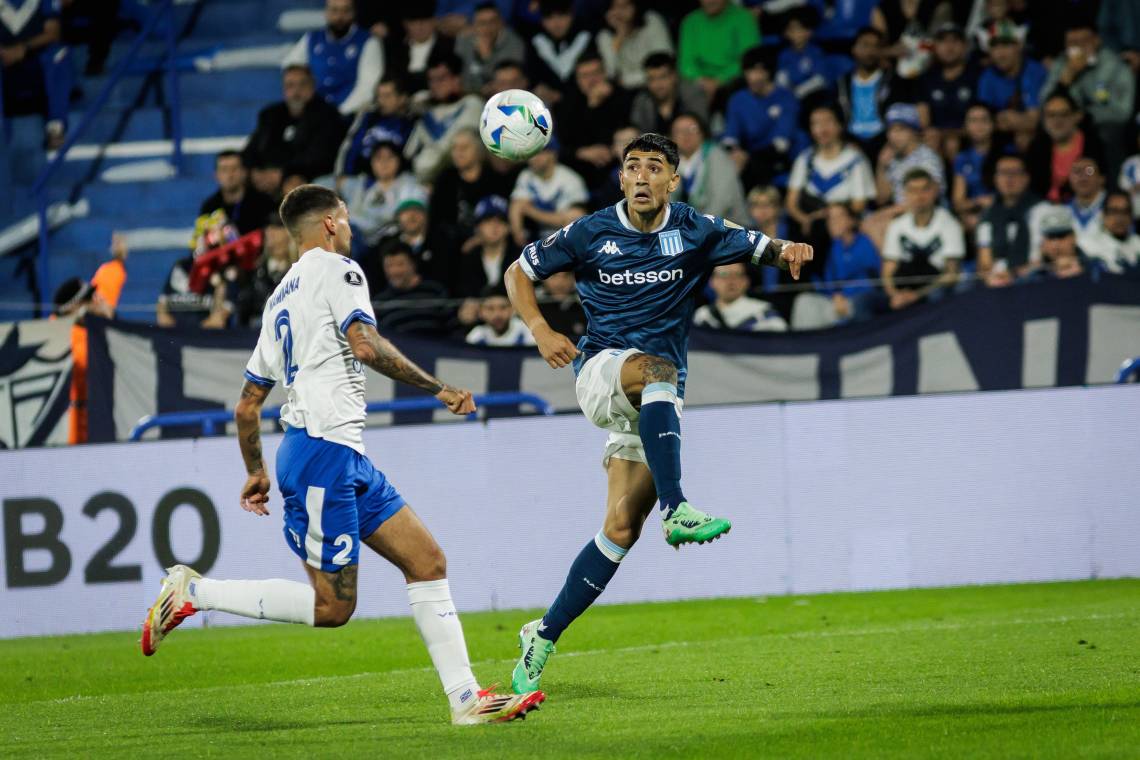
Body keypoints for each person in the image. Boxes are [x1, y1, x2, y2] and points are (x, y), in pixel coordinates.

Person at [139, 185, 543, 726]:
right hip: (321, 453)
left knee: (427, 561)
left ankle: (466, 700)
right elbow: (366, 345)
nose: (350, 228)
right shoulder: (340, 269)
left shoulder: (277, 298)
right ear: (330, 223)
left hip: (333, 452)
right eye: (346, 219)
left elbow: (246, 405)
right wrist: (439, 388)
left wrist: (256, 471)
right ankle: (195, 591)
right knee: (333, 607)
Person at [502, 132, 812, 694]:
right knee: (657, 370)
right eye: (632, 166)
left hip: (654, 400)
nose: (642, 176)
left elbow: (762, 245)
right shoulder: (590, 231)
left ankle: (541, 634)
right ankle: (677, 508)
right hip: (604, 372)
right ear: (621, 178)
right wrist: (541, 328)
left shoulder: (696, 229)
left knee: (620, 530)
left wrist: (789, 249)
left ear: (673, 180)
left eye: (654, 167)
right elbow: (518, 273)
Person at [1041, 22, 1135, 179]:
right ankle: (1050, 184)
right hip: (1068, 121)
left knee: (1109, 133)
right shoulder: (1061, 64)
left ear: (1096, 41)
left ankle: (1111, 184)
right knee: (1042, 131)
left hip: (1099, 125)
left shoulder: (1115, 66)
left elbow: (1122, 112)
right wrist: (1066, 78)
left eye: (1083, 41)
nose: (1077, 48)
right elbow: (1044, 102)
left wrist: (1085, 115)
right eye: (1072, 43)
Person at [241, 65, 348, 198]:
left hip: (306, 176)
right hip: (267, 177)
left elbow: (320, 157)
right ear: (284, 89)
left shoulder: (328, 115)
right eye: (290, 85)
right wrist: (255, 173)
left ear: (312, 87)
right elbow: (251, 150)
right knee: (235, 175)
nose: (296, 91)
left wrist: (283, 174)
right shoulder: (270, 115)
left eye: (302, 84)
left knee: (295, 185)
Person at [786, 103, 875, 259]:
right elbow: (791, 202)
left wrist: (829, 214)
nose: (822, 129)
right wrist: (805, 219)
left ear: (840, 125)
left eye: (827, 121)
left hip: (845, 223)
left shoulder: (855, 160)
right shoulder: (805, 159)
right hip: (812, 224)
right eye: (816, 123)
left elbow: (859, 204)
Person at [61, 234, 127, 444]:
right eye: (88, 299)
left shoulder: (93, 321)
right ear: (73, 308)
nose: (95, 301)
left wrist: (118, 259)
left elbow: (107, 283)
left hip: (101, 416)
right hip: (70, 422)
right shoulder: (64, 334)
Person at [881, 168, 963, 310]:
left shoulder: (950, 224)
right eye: (913, 190)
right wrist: (895, 295)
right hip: (901, 290)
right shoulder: (896, 225)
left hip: (934, 290)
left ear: (934, 191)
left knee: (940, 295)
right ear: (905, 194)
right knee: (864, 302)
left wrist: (917, 295)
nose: (919, 196)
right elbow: (887, 271)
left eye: (925, 189)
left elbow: (951, 274)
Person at [282, 0, 382, 116]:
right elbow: (291, 68)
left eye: (346, 11)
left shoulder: (368, 42)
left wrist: (341, 112)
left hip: (349, 114)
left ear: (354, 13)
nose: (339, 16)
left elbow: (368, 87)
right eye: (334, 10)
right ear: (326, 13)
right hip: (312, 113)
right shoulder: (312, 38)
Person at [721, 47, 799, 190]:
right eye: (749, 71)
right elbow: (730, 137)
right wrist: (735, 152)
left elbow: (781, 143)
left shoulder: (785, 97)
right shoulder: (738, 99)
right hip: (746, 158)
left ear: (770, 72)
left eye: (760, 71)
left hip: (776, 158)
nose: (754, 77)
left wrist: (748, 156)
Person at [0, 0, 74, 148]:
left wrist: (23, 48)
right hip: (4, 61)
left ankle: (55, 127)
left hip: (35, 60)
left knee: (59, 55)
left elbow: (53, 32)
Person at [403, 52, 483, 183]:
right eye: (431, 80)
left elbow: (463, 151)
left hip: (453, 178)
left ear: (456, 79)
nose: (435, 85)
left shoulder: (472, 104)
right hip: (418, 182)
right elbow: (409, 153)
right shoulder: (427, 113)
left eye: (441, 79)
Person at [976, 153, 1050, 283]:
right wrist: (992, 276)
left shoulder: (1043, 210)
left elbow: (1047, 255)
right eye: (1003, 173)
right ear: (995, 178)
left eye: (1014, 173)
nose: (1008, 179)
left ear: (1026, 178)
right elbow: (985, 261)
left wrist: (1016, 275)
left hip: (1036, 279)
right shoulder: (988, 215)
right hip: (998, 282)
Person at [339, 139, 423, 248]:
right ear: (371, 163)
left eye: (390, 157)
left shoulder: (407, 182)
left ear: (399, 160)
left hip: (385, 242)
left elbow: (396, 216)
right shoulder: (370, 187)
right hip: (357, 235)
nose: (384, 163)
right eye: (378, 158)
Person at [1026, 91, 1105, 203]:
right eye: (1051, 115)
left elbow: (1098, 179)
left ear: (1077, 116)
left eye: (1064, 114)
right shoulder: (1037, 147)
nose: (1057, 120)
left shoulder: (1094, 145)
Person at [976, 20, 1047, 145]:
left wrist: (1008, 120)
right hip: (998, 141)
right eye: (995, 47)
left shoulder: (1035, 72)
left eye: (1006, 45)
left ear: (1019, 46)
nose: (1000, 53)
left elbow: (1035, 121)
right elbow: (983, 122)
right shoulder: (987, 77)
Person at [508, 135, 589, 245]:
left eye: (540, 152)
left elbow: (573, 219)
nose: (534, 157)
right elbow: (516, 206)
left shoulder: (571, 179)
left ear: (553, 154)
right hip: (537, 240)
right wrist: (519, 237)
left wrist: (531, 211)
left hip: (567, 242)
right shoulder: (526, 176)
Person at [670, 112, 748, 223]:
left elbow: (721, 202)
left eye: (692, 129)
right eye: (679, 131)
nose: (686, 135)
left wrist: (699, 228)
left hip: (726, 225)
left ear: (702, 133)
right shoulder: (670, 161)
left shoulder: (718, 157)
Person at [677, 0, 760, 103]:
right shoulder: (690, 21)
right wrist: (701, 81)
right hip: (699, 83)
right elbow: (686, 63)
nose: (709, 1)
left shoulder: (744, 18)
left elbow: (749, 59)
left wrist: (720, 81)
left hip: (733, 80)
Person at [334, 76, 415, 180]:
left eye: (387, 96)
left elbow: (409, 159)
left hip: (393, 180)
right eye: (379, 96)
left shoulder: (411, 124)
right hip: (358, 177)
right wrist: (343, 174)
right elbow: (350, 148)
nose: (381, 101)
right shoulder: (368, 118)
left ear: (402, 98)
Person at [835, 26, 896, 157]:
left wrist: (891, 142)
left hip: (884, 141)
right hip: (851, 141)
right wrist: (845, 141)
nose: (870, 51)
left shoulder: (892, 80)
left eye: (876, 46)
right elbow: (837, 117)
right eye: (865, 45)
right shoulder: (842, 83)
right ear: (854, 49)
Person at [525, 0, 592, 108]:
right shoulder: (536, 41)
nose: (556, 24)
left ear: (571, 15)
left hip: (586, 101)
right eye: (549, 18)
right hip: (547, 106)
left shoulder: (586, 38)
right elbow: (532, 76)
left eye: (561, 16)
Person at [374, 245, 452, 335]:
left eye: (400, 264)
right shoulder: (380, 303)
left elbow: (452, 326)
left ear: (413, 264)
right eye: (389, 266)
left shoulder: (435, 291)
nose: (395, 271)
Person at [595, 0, 672, 90]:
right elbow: (611, 75)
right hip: (625, 92)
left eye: (625, 6)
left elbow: (664, 64)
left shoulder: (651, 20)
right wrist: (619, 38)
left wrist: (627, 80)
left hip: (659, 85)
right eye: (615, 7)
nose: (620, 12)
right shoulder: (605, 36)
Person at [629, 52, 709, 136]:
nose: (657, 84)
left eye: (663, 77)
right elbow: (637, 133)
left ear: (674, 76)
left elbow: (701, 129)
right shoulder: (642, 100)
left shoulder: (692, 94)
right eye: (651, 79)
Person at [199, 151, 277, 237]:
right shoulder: (209, 207)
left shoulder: (263, 203)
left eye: (234, 169)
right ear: (216, 175)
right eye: (224, 170)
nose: (229, 175)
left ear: (244, 172)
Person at [455, 2, 525, 95]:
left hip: (502, 95)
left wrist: (486, 57)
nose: (487, 27)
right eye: (482, 23)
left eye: (492, 21)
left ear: (501, 22)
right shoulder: (464, 41)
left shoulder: (513, 43)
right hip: (469, 95)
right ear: (474, 25)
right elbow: (460, 78)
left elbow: (507, 80)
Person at [693, 263, 787, 331]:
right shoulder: (702, 316)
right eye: (724, 275)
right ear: (711, 282)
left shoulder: (764, 313)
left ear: (746, 281)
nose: (730, 281)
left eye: (737, 275)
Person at [454, 195, 515, 296]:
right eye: (488, 221)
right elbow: (462, 291)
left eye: (501, 220)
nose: (495, 226)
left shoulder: (520, 257)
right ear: (478, 227)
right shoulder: (469, 258)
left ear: (508, 227)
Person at [1080, 190, 1140, 275]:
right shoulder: (1088, 246)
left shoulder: (1138, 243)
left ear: (1131, 216)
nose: (1120, 218)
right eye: (1114, 211)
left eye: (1125, 212)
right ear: (1103, 215)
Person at [466, 284, 536, 345]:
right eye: (490, 308)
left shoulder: (528, 333)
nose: (497, 314)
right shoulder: (477, 335)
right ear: (481, 312)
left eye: (503, 307)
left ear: (513, 309)